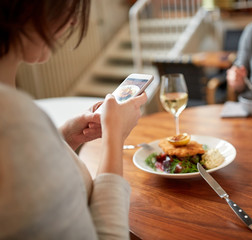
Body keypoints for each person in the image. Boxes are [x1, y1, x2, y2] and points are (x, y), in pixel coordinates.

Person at [0, 0, 147, 239]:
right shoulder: (12, 117)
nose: (74, 20)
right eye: (68, 5)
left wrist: (62, 139)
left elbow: (31, 183)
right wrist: (114, 137)